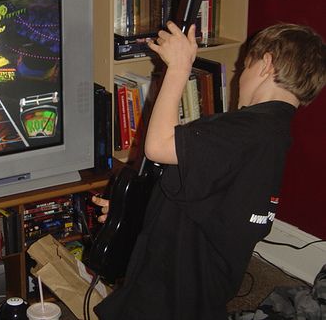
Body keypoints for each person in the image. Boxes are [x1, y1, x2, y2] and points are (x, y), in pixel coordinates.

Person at [92, 22, 326, 320]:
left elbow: (158, 147)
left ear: (266, 64)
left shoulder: (241, 131)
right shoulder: (272, 134)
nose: (239, 76)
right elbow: (202, 196)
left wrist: (178, 69)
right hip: (202, 287)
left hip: (167, 293)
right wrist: (133, 209)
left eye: (243, 67)